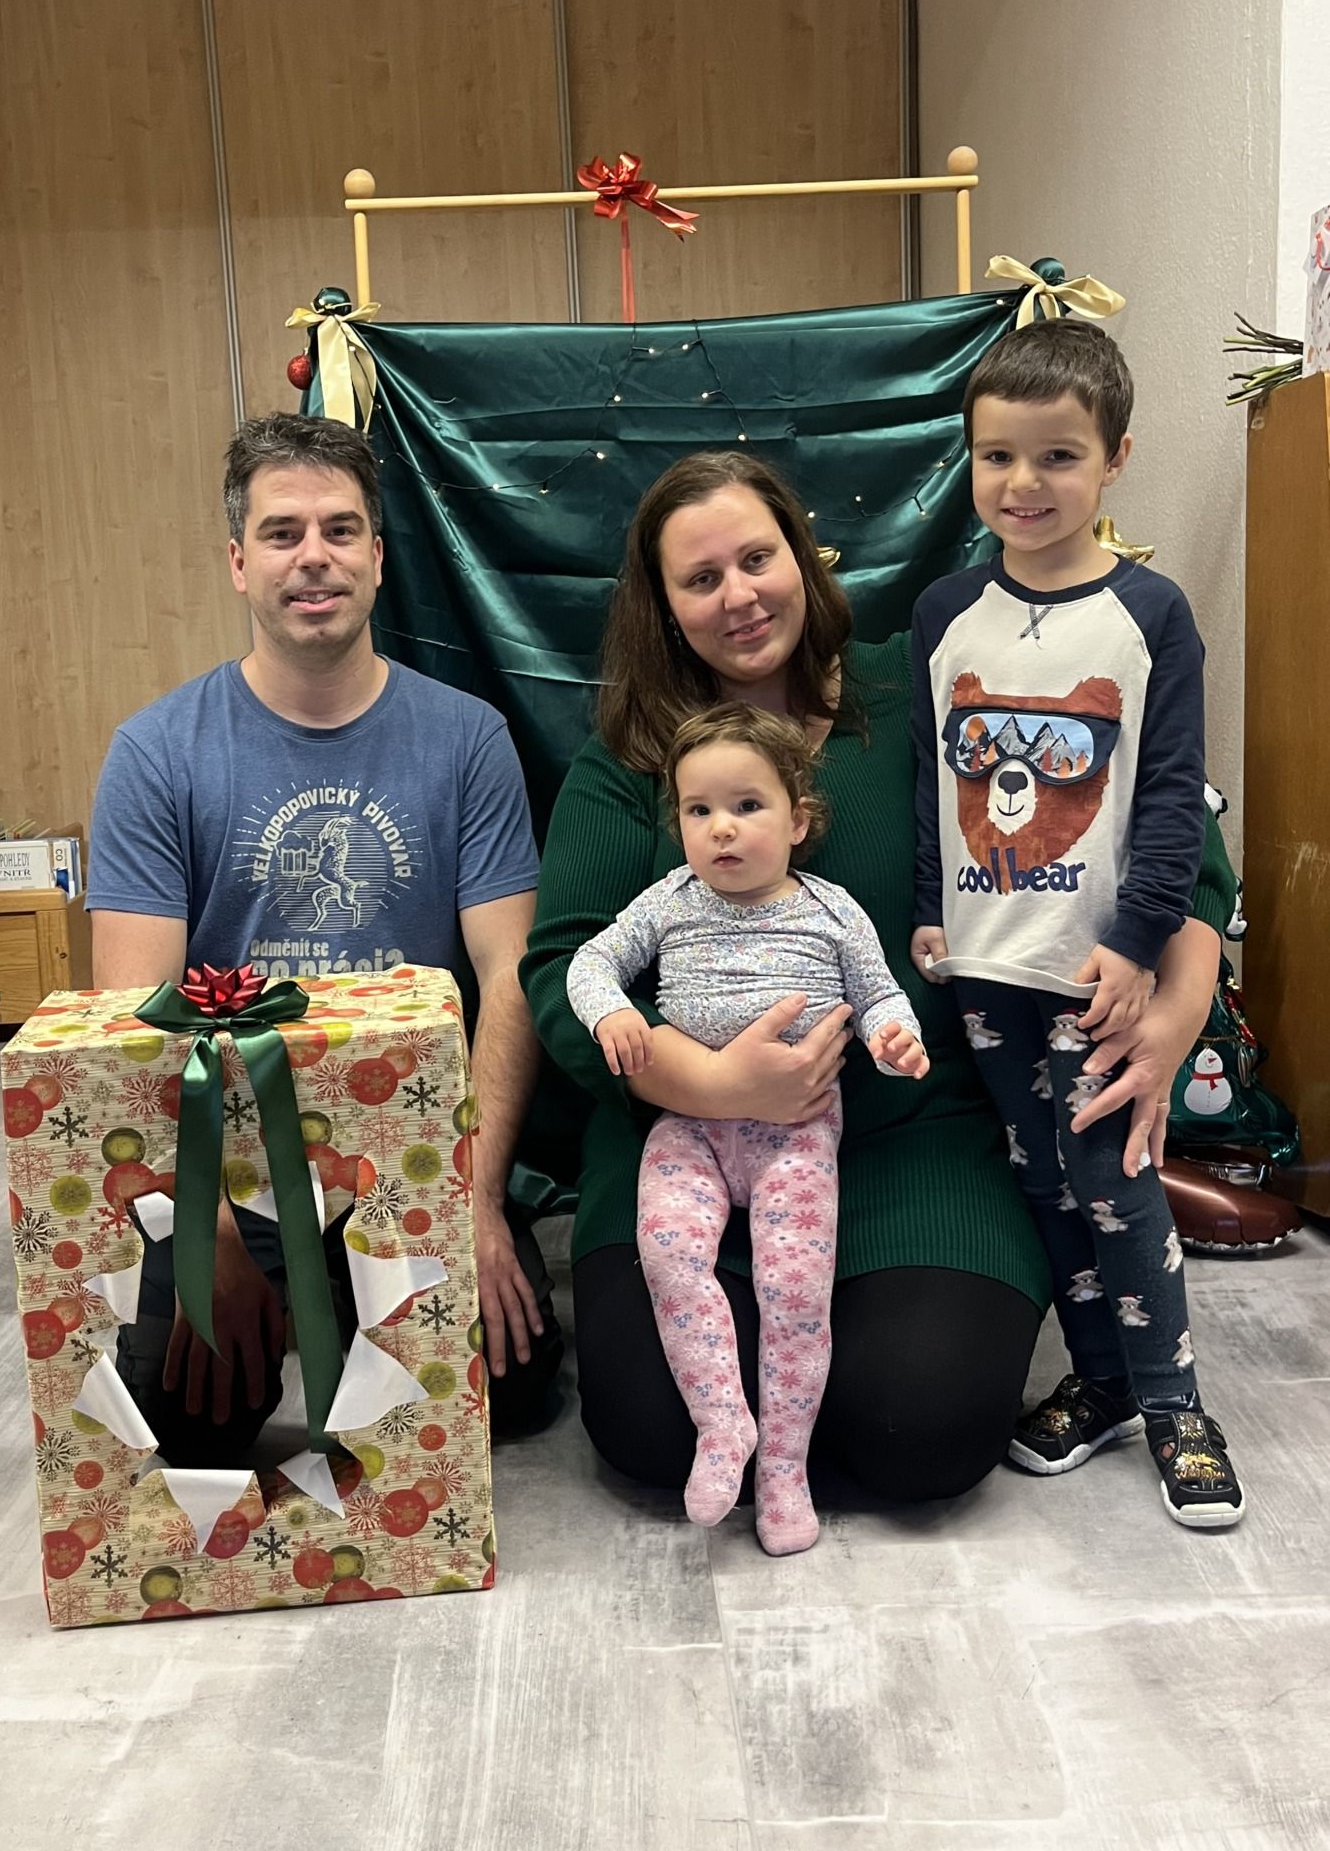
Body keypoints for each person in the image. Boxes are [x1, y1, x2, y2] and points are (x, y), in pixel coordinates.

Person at [521, 447, 1235, 1507]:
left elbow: (1172, 835)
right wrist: (704, 1082)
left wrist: (1179, 1007)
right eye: (700, 579)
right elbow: (560, 965)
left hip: (916, 1135)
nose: (739, 596)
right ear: (662, 608)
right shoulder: (629, 758)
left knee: (919, 1425)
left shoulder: (935, 678)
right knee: (654, 1426)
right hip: (684, 1136)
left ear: (804, 557)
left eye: (756, 558)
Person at [87, 413, 562, 1462]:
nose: (315, 556)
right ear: (238, 561)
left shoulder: (468, 739)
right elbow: (131, 1021)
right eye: (283, 532)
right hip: (233, 1175)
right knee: (183, 1423)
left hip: (410, 1161)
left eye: (341, 530)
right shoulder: (156, 752)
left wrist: (473, 1196)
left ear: (379, 558)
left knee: (509, 1391)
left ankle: (368, 1310)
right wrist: (204, 1233)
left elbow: (510, 977)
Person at [910, 321, 1243, 1527]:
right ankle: (1101, 1381)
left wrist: (1143, 940)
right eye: (998, 455)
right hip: (983, 965)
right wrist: (927, 908)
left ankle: (1174, 1403)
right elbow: (931, 777)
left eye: (1058, 455)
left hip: (1097, 970)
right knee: (1047, 1182)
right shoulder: (946, 610)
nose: (1025, 482)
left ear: (1115, 459)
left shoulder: (1151, 612)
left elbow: (1172, 795)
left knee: (1117, 1176)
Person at [567, 702, 928, 1553]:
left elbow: (879, 992)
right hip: (689, 1126)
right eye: (699, 810)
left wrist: (894, 1038)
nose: (721, 828)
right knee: (667, 1253)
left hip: (796, 1134)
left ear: (799, 821)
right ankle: (723, 1421)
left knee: (793, 1290)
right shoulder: (670, 900)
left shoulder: (833, 910)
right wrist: (611, 1012)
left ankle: (784, 1473)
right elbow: (590, 960)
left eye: (747, 806)